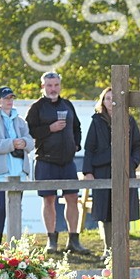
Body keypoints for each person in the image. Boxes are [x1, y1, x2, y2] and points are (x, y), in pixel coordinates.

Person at [25, 71, 89, 255]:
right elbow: (29, 132)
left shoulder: (67, 104)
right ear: (42, 86)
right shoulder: (36, 108)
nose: (53, 89)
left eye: (56, 85)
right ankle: (51, 241)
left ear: (60, 85)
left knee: (72, 199)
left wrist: (76, 144)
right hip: (46, 161)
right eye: (49, 85)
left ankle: (74, 240)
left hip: (67, 162)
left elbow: (77, 127)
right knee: (49, 200)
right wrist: (49, 129)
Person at [81, 87, 140, 251]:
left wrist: (133, 162)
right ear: (103, 101)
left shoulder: (129, 120)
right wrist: (88, 172)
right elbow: (89, 148)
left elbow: (137, 145)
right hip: (102, 170)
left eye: (114, 98)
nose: (111, 102)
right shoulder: (97, 121)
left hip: (125, 170)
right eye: (107, 98)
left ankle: (122, 248)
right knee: (105, 211)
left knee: (124, 208)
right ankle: (108, 249)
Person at [0, 86, 34, 249]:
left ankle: (16, 241)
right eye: (6, 98)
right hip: (1, 172)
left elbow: (31, 142)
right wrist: (12, 144)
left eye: (11, 98)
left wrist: (23, 143)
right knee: (3, 206)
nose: (9, 101)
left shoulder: (20, 121)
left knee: (17, 206)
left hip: (19, 171)